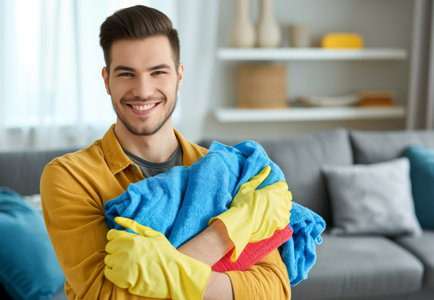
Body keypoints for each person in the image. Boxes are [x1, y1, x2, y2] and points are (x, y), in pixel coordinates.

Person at [41, 5, 291, 300]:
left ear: (179, 76)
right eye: (126, 74)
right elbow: (104, 295)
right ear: (106, 80)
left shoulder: (230, 168)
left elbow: (275, 289)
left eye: (157, 72)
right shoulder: (71, 176)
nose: (143, 90)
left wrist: (170, 265)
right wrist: (224, 237)